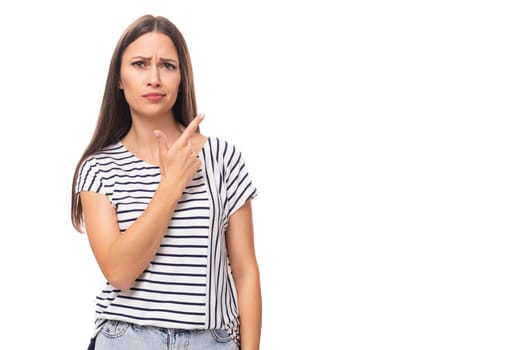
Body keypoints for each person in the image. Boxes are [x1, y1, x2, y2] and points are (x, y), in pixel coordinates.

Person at [70, 14, 261, 350]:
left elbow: (245, 272)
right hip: (126, 339)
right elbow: (119, 272)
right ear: (119, 78)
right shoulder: (99, 169)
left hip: (210, 341)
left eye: (168, 66)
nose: (154, 78)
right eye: (140, 64)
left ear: (182, 77)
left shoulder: (222, 158)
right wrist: (171, 185)